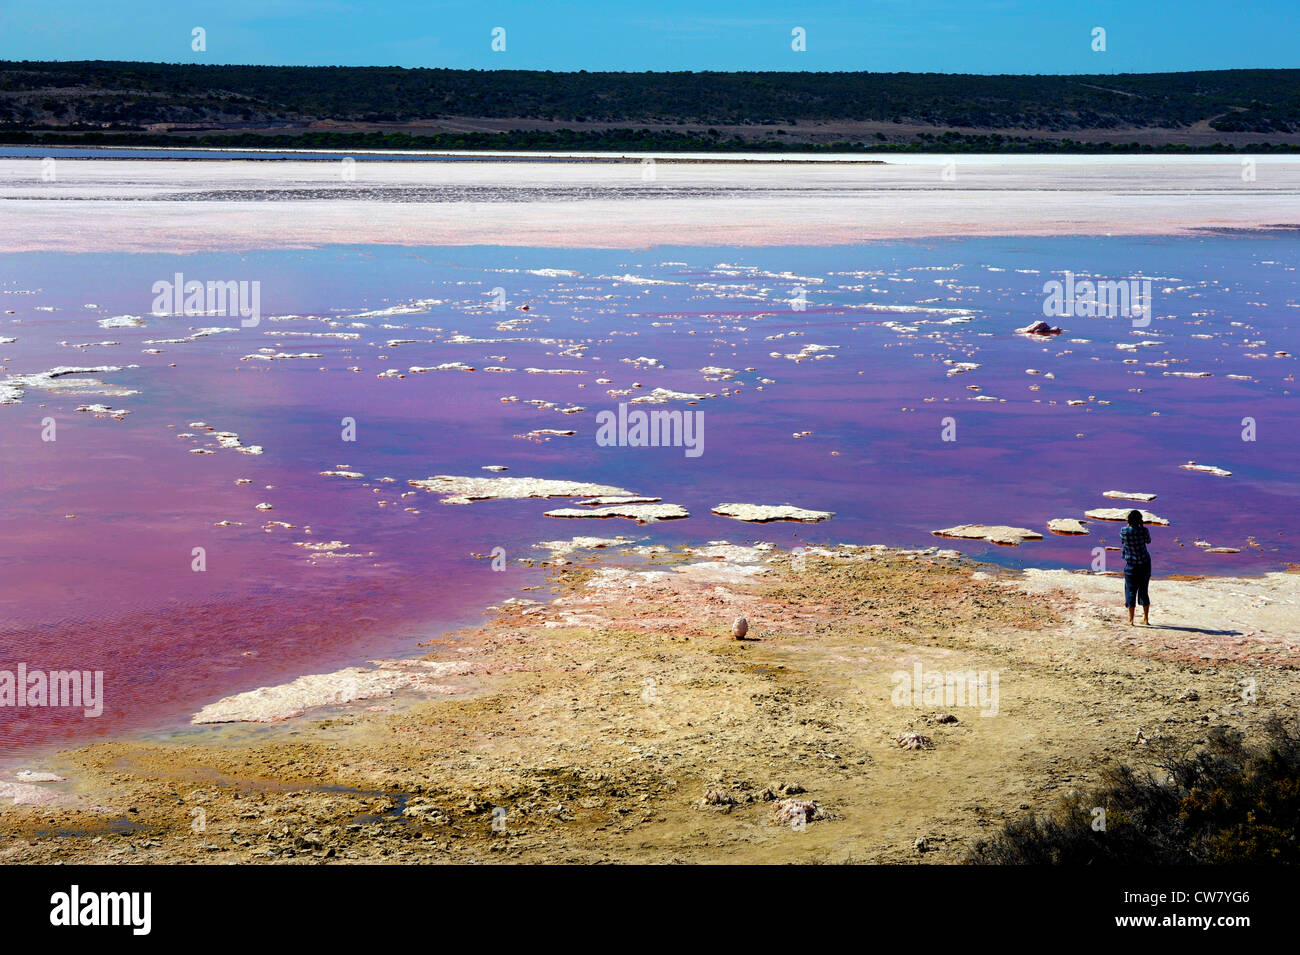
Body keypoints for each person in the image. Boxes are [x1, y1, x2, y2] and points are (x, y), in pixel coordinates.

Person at [1120, 509, 1152, 625]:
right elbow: (1148, 541)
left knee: (1130, 590)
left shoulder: (1124, 531)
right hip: (1144, 563)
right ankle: (1146, 619)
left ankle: (1131, 620)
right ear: (1140, 520)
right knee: (1144, 590)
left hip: (1131, 565)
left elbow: (1123, 541)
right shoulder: (1144, 530)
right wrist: (1141, 526)